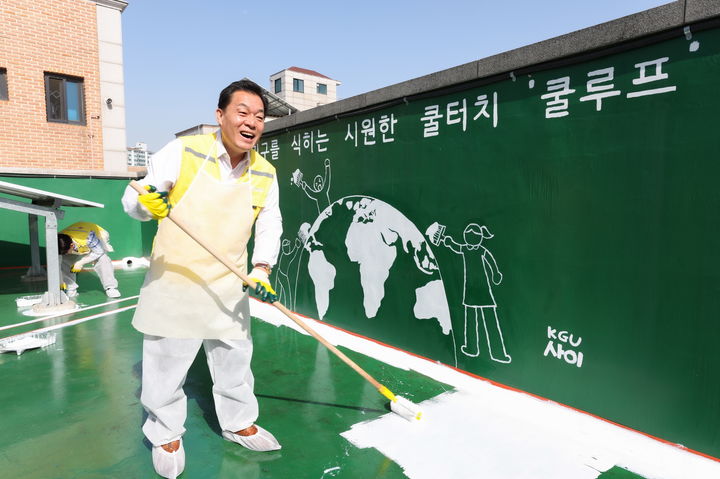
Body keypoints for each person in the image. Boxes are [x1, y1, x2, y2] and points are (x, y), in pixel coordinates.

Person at [121, 79, 282, 479]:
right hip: (175, 279)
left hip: (227, 281)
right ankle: (165, 433)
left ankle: (239, 422)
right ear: (220, 116)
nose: (252, 123)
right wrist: (146, 203)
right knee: (166, 364)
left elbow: (270, 223)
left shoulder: (264, 171)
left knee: (234, 359)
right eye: (242, 112)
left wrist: (261, 267)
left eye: (259, 116)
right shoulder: (183, 152)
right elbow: (134, 198)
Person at [57, 221, 120, 298]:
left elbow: (98, 252)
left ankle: (111, 288)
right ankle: (70, 288)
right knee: (65, 259)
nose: (65, 254)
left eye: (66, 252)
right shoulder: (58, 239)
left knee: (103, 259)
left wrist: (80, 263)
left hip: (98, 235)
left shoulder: (89, 237)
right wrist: (61, 282)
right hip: (76, 237)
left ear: (72, 245)